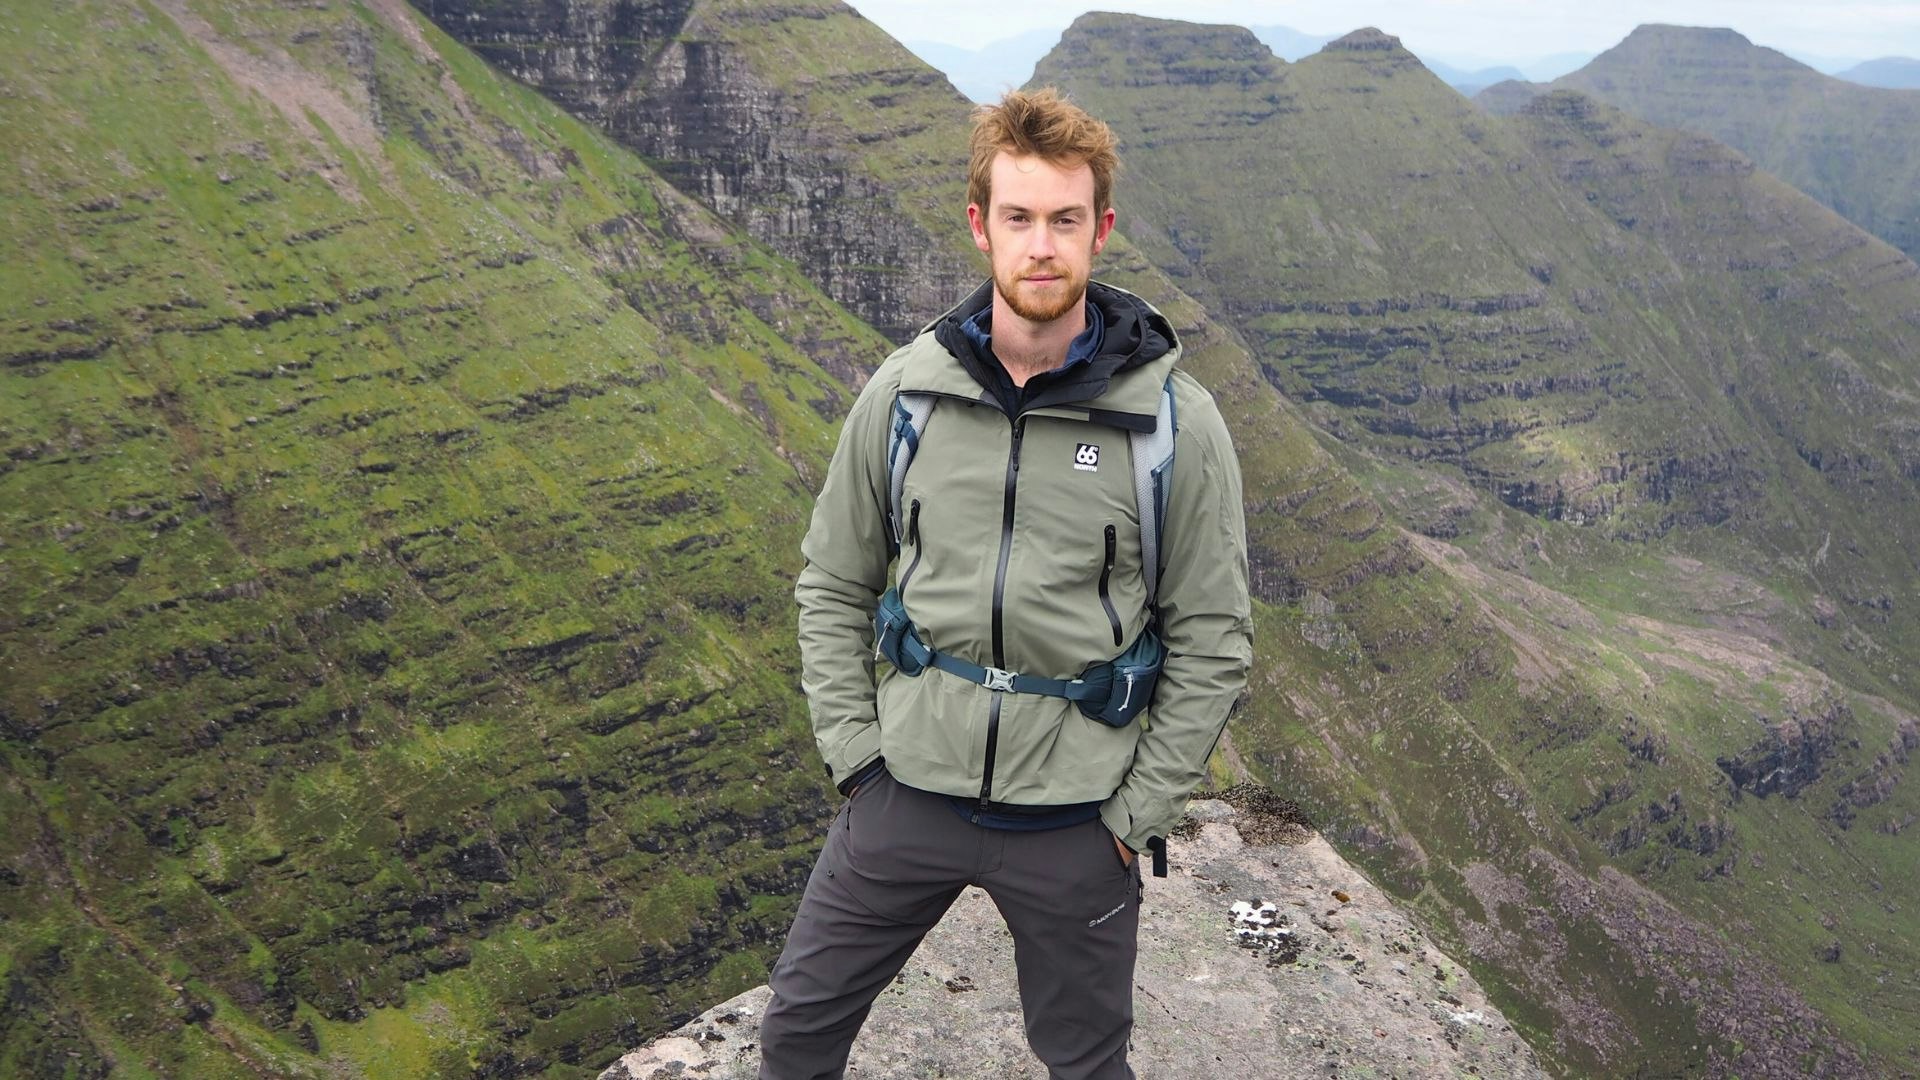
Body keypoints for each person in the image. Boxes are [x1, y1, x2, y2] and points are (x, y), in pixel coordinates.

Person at [759, 87, 1253, 1080]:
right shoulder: (905, 395)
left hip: (1077, 820)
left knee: (1084, 1063)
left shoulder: (1174, 424)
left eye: (1065, 220)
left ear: (1100, 231)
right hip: (905, 793)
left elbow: (1214, 637)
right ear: (980, 225)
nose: (1042, 245)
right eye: (1019, 218)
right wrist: (858, 760)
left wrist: (1132, 819)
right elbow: (831, 582)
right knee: (797, 1034)